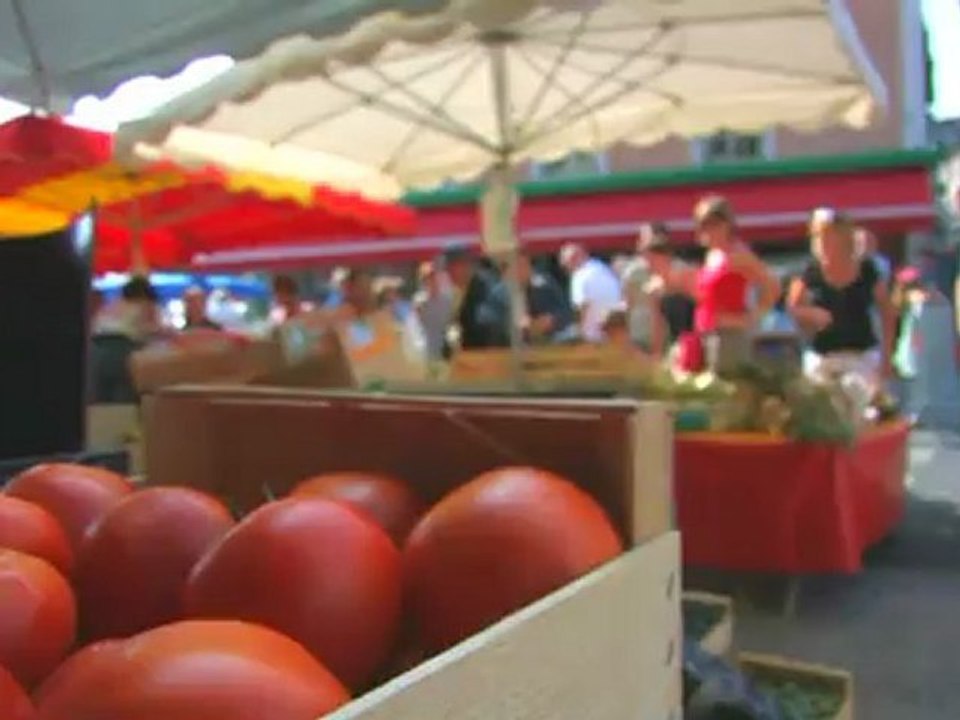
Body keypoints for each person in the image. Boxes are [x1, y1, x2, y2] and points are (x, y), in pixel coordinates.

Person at [786, 208, 895, 386]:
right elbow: (793, 307)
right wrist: (812, 314)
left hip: (860, 356)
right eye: (818, 236)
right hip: (822, 357)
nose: (822, 242)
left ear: (844, 237)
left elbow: (887, 312)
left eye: (828, 235)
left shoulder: (867, 271)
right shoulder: (809, 272)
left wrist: (887, 356)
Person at [675, 196, 780, 375]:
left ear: (727, 224)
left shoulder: (738, 255)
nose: (707, 229)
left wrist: (753, 317)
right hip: (705, 335)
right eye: (702, 224)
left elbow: (772, 285)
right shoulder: (711, 256)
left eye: (713, 223)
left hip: (729, 337)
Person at [90, 276, 163, 403]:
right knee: (125, 398)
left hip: (96, 350)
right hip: (124, 349)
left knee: (100, 398)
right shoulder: (145, 305)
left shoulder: (112, 306)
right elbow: (152, 331)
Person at [633, 222, 697, 356]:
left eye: (652, 258)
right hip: (678, 346)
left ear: (666, 256)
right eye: (647, 258)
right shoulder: (652, 288)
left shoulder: (686, 276)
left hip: (699, 338)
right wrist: (656, 355)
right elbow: (658, 324)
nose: (649, 263)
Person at [487, 252, 575, 346]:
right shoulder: (497, 295)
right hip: (510, 350)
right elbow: (493, 325)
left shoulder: (545, 284)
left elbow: (566, 312)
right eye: (518, 267)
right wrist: (521, 327)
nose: (525, 271)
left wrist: (552, 320)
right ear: (505, 273)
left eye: (526, 265)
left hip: (550, 343)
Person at [440, 243, 499, 355]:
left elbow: (486, 330)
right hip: (468, 362)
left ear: (465, 265)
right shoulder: (459, 291)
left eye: (451, 269)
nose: (449, 274)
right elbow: (454, 326)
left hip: (487, 360)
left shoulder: (486, 289)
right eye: (447, 270)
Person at [559, 243, 622, 343]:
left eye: (566, 264)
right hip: (617, 331)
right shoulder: (602, 268)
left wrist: (581, 331)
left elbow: (583, 306)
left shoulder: (579, 276)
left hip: (594, 336)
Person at [412, 261, 455, 364]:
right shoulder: (420, 300)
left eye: (434, 276)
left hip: (448, 349)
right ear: (423, 281)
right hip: (429, 349)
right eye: (428, 278)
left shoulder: (448, 299)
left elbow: (453, 322)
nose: (432, 280)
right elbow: (418, 323)